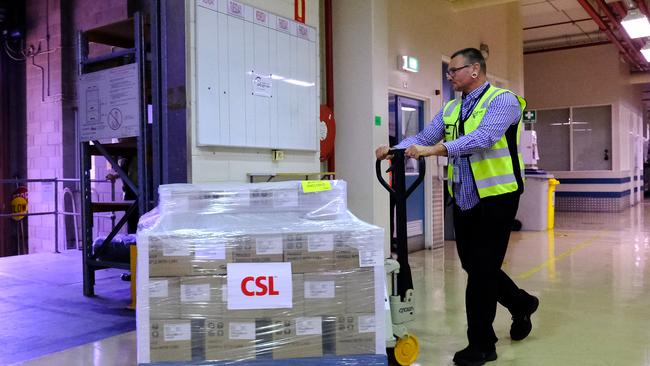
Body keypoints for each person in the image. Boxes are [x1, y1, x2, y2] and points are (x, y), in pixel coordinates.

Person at [376, 48, 538, 366]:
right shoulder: (452, 108)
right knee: (475, 267)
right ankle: (522, 303)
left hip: (497, 196)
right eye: (449, 72)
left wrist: (434, 150)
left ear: (474, 69)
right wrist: (394, 148)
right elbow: (425, 134)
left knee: (480, 272)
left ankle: (481, 344)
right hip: (464, 195)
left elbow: (484, 138)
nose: (450, 76)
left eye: (454, 70)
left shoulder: (503, 101)